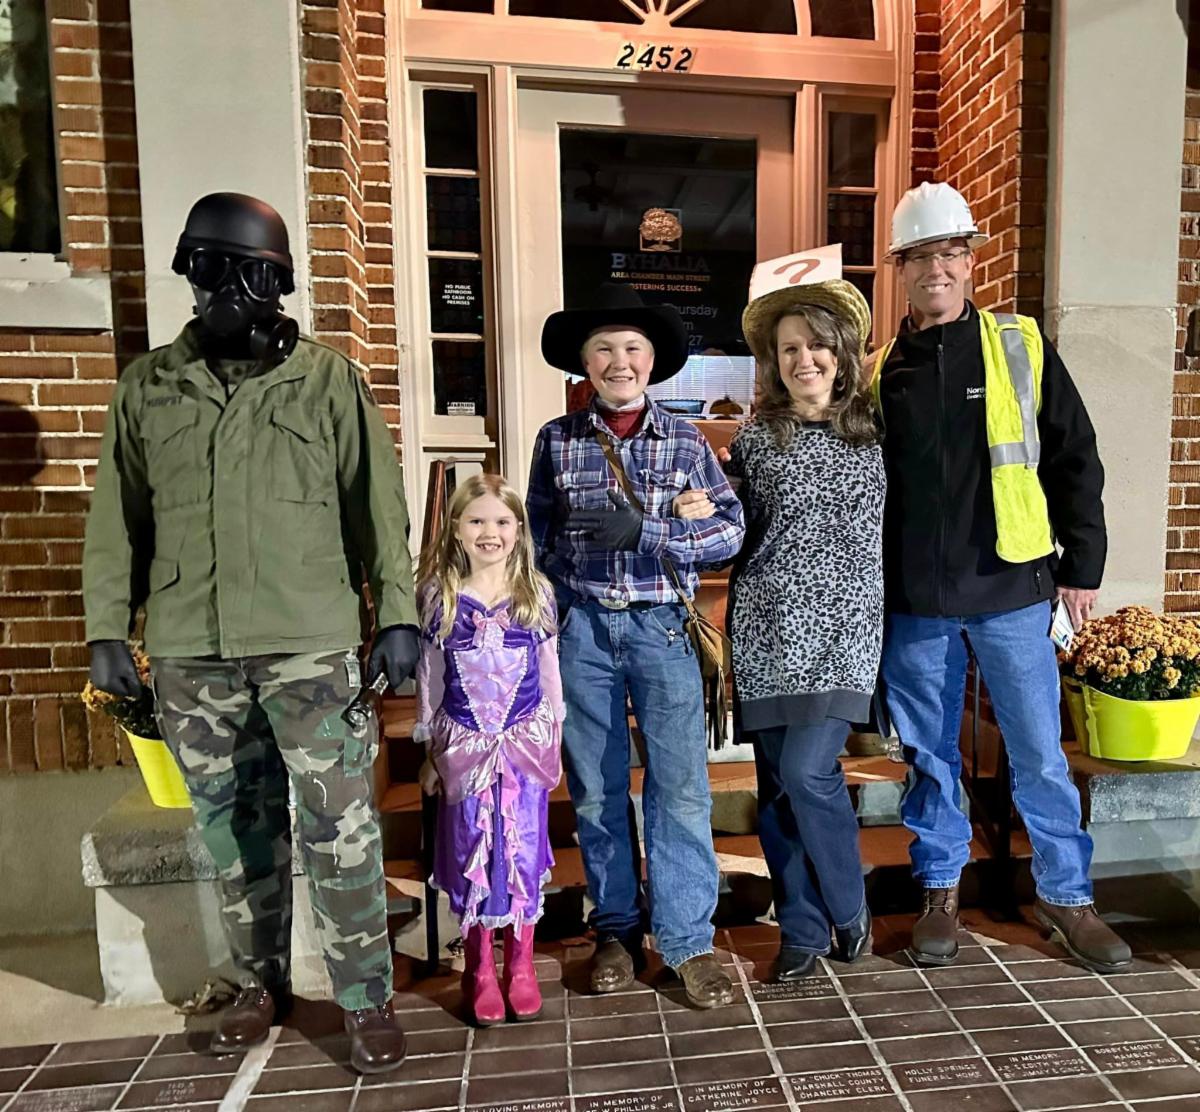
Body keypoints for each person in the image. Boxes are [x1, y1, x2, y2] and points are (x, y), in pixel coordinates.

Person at [82, 193, 418, 1072]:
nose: (222, 291)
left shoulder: (327, 380)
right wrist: (107, 629)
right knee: (232, 829)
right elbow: (117, 517)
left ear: (276, 282)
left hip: (310, 639)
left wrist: (397, 613)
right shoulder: (148, 386)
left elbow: (376, 507)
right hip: (193, 645)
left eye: (243, 274)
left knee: (339, 825)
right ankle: (257, 982)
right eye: (206, 270)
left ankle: (364, 995)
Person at [868, 182, 1131, 973]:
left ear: (970, 262)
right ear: (900, 269)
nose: (938, 269)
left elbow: (1076, 457)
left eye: (951, 253)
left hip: (1013, 587)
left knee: (1040, 752)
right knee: (929, 754)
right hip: (916, 599)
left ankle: (1066, 896)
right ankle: (940, 887)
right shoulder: (880, 371)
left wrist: (1082, 564)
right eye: (921, 257)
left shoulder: (1020, 343)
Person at [526, 284, 745, 1008]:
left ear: (652, 361)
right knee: (595, 789)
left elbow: (729, 532)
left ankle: (687, 940)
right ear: (585, 363)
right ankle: (615, 930)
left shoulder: (685, 440)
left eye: (632, 348)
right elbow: (537, 543)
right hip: (584, 631)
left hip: (662, 629)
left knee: (679, 789)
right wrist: (553, 616)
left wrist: (650, 532)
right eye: (604, 349)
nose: (619, 361)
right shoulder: (556, 441)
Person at [712, 275, 884, 981]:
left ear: (841, 354)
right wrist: (701, 509)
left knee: (808, 772)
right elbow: (735, 537)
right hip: (767, 629)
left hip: (845, 632)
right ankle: (802, 933)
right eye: (789, 349)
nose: (803, 359)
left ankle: (848, 907)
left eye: (816, 345)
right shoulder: (756, 439)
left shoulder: (877, 431)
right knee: (779, 788)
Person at [413, 474, 564, 1026]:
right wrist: (429, 749)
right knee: (472, 851)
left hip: (525, 746)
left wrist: (555, 735)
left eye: (501, 521)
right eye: (476, 520)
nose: (489, 532)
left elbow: (549, 670)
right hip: (464, 748)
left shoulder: (535, 592)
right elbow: (430, 675)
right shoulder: (440, 595)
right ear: (456, 528)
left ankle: (520, 964)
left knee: (521, 850)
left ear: (518, 529)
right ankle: (478, 966)